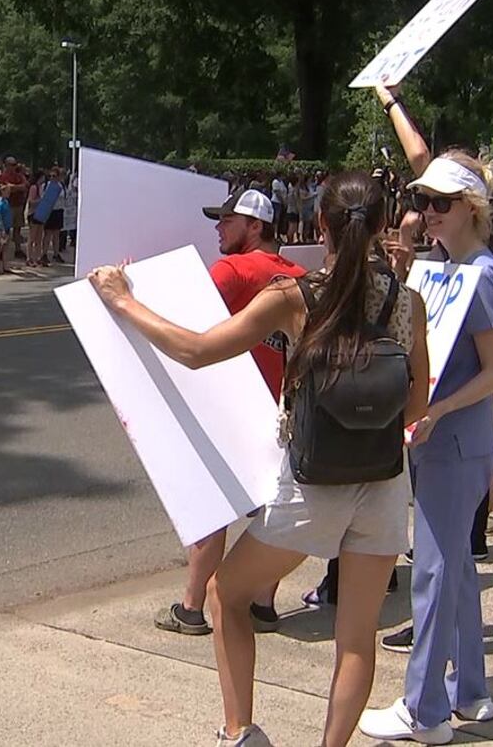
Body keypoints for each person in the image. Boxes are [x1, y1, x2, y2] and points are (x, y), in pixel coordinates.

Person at [91, 170, 429, 747]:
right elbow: (416, 403)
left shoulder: (295, 297)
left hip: (314, 484)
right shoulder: (408, 302)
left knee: (226, 594)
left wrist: (122, 300)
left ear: (318, 224)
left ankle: (239, 731)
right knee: (356, 639)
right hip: (383, 482)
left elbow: (196, 352)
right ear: (381, 227)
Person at [357, 84, 493, 746]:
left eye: (440, 204)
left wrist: (435, 410)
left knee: (437, 570)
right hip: (440, 437)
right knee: (458, 571)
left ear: (470, 208)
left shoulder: (483, 274)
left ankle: (424, 710)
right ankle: (470, 692)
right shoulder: (440, 267)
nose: (426, 213)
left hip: (454, 439)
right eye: (422, 202)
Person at [153, 188, 308, 639]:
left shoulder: (233, 269)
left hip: (229, 408)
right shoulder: (298, 274)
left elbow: (185, 315)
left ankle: (191, 608)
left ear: (254, 226)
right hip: (282, 410)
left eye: (227, 221)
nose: (218, 228)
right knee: (272, 506)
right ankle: (263, 603)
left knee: (210, 507)